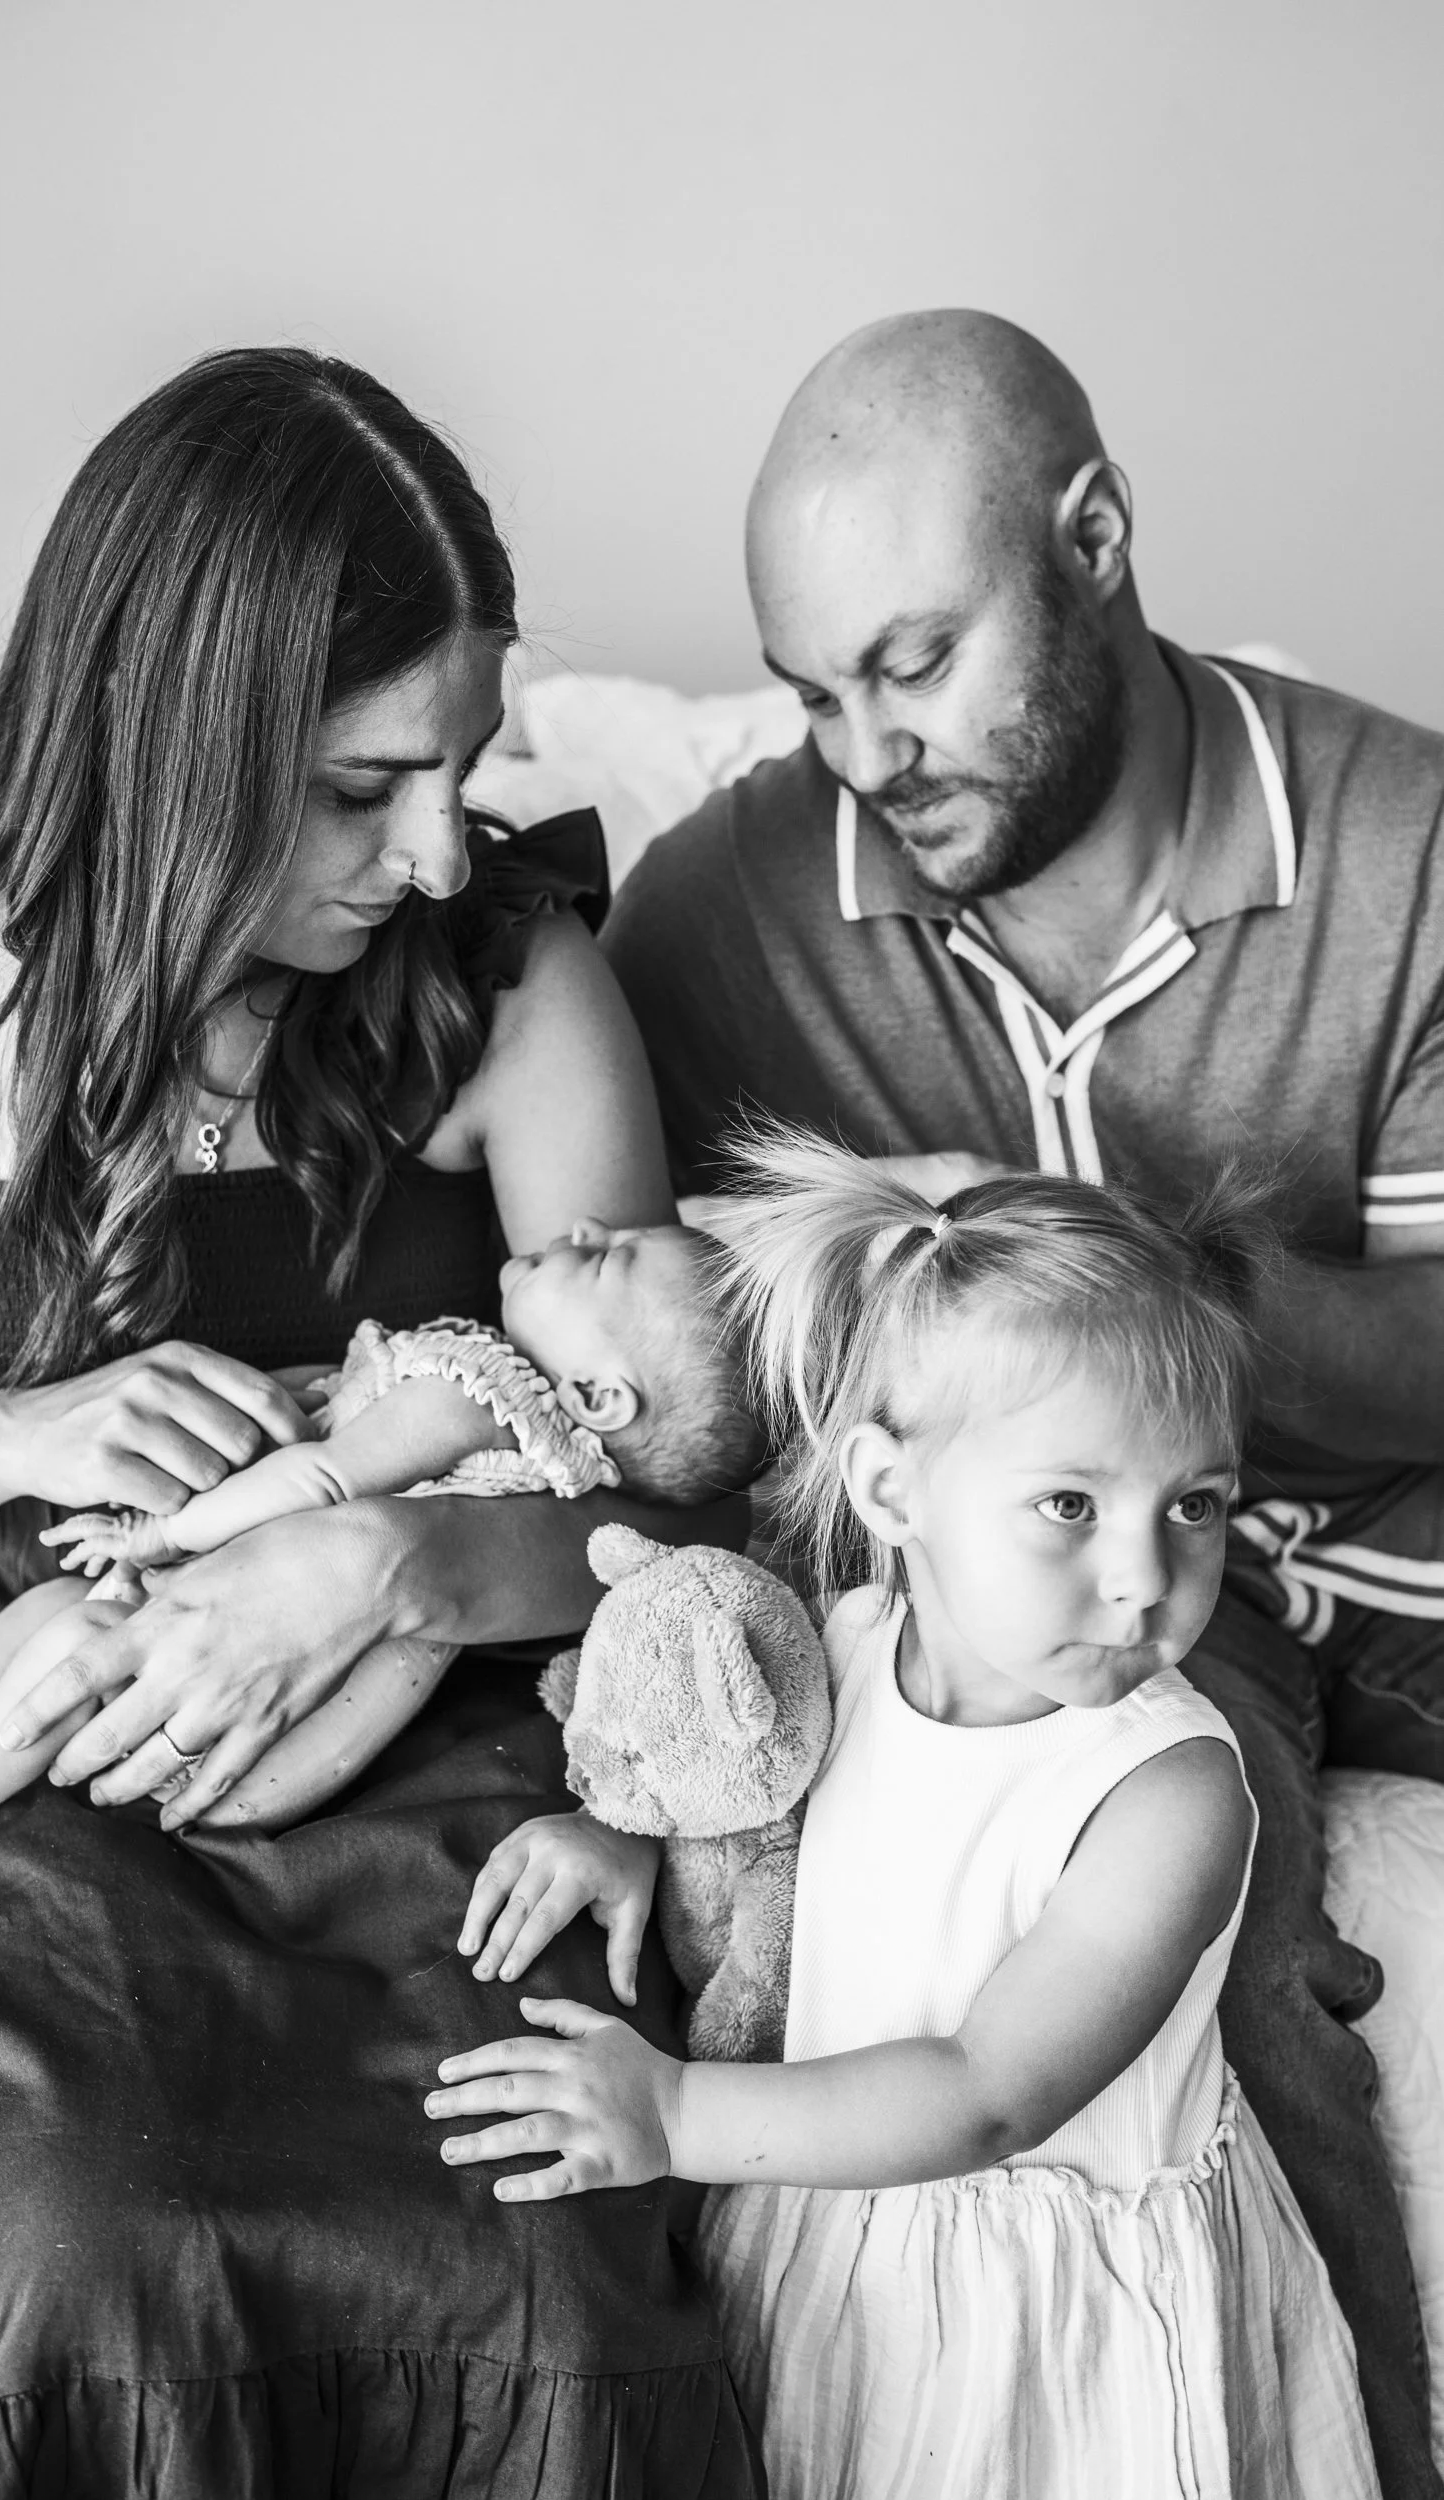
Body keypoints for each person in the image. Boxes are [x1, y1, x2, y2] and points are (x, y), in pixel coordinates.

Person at [0, 348, 762, 2494]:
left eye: (462, 766)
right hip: (40, 1697)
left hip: (433, 1700)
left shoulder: (502, 977)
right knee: (89, 2224)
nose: (430, 851)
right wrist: (10, 1439)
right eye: (357, 785)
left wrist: (391, 1557)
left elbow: (665, 1485)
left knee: (546, 2237)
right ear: (170, 737)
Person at [599, 309, 1444, 2498]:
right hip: (1107, 1611)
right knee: (1232, 1985)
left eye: (910, 659)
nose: (862, 748)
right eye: (806, 693)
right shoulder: (722, 911)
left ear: (1093, 539)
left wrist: (1096, 1253)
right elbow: (654, 1357)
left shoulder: (1398, 840)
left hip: (1390, 1532)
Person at [432, 1137, 1380, 2499]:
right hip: (833, 2213)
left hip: (1040, 2320)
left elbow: (988, 2095)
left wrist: (680, 2119)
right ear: (889, 1492)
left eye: (1195, 1505)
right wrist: (623, 1830)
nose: (1142, 1577)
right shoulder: (844, 1642)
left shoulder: (1166, 1792)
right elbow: (732, 1773)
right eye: (1067, 1503)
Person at [0, 1220, 764, 1845]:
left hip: (260, 1697)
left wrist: (160, 1529)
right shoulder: (553, 1458)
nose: (583, 1224)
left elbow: (322, 1475)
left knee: (71, 1632)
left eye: (600, 1257)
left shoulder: (477, 1397)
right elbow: (339, 1428)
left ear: (597, 1393)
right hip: (323, 1704)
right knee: (55, 1616)